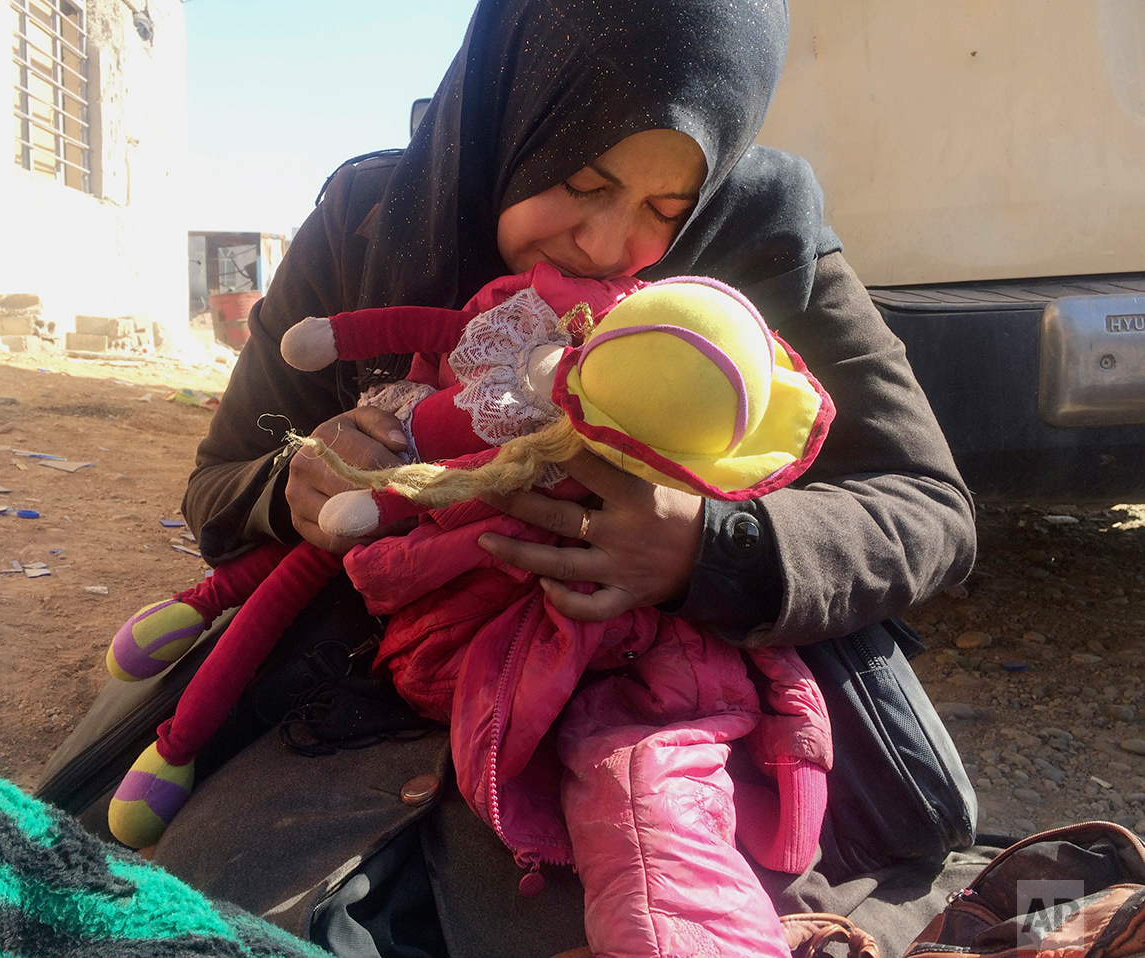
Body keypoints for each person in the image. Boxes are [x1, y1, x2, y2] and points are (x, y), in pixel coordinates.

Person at [138, 1, 977, 955]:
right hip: (362, 699)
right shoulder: (367, 223)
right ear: (517, 106)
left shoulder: (762, 231)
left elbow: (927, 506)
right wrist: (296, 486)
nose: (608, 245)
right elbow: (218, 486)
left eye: (669, 211)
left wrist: (709, 547)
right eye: (582, 180)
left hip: (669, 722)